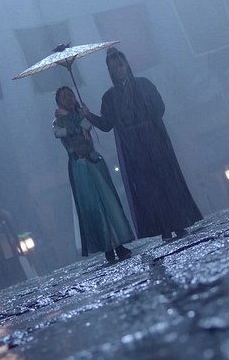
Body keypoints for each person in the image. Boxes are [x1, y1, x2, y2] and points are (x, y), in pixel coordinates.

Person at [81, 47, 202, 241]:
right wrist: (88, 115)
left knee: (168, 182)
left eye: (120, 65)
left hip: (155, 141)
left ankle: (179, 223)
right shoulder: (109, 97)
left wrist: (144, 117)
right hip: (134, 149)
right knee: (148, 189)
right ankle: (163, 228)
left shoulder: (144, 85)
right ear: (110, 71)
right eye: (114, 68)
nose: (118, 70)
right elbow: (106, 124)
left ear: (126, 65)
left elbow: (160, 108)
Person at [52, 86, 134, 262]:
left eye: (70, 95)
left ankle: (118, 244)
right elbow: (63, 132)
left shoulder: (81, 114)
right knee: (93, 206)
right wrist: (73, 119)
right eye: (64, 97)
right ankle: (107, 247)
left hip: (94, 161)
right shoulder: (58, 122)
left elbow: (87, 126)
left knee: (108, 202)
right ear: (59, 102)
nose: (68, 99)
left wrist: (78, 116)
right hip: (79, 166)